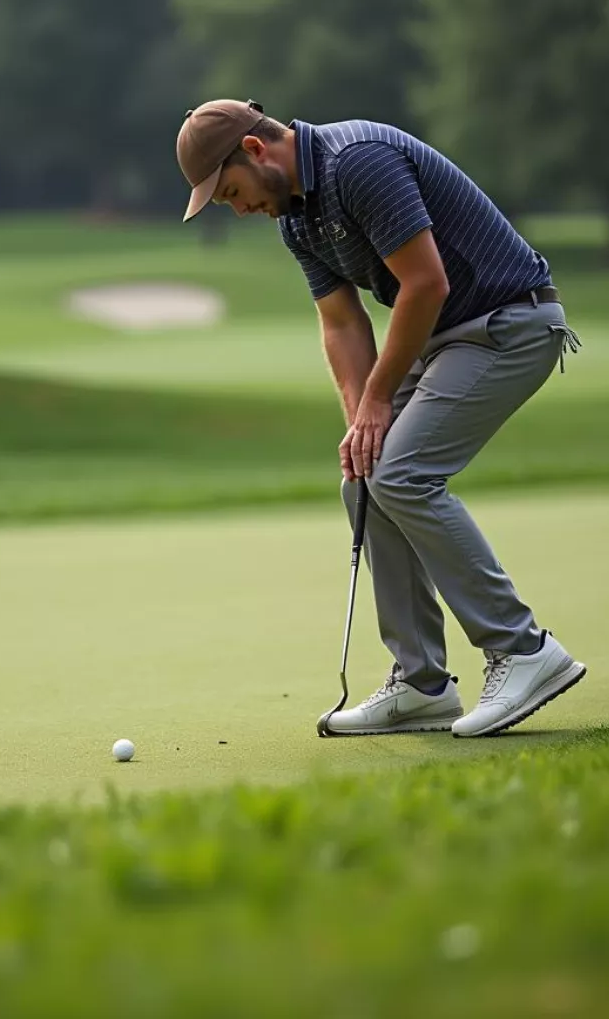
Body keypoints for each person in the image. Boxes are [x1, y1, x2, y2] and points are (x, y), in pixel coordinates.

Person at [175, 100, 585, 737]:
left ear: (256, 153)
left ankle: (525, 651)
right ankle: (422, 685)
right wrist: (362, 423)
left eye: (230, 192)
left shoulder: (356, 163)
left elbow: (426, 285)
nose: (239, 208)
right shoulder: (296, 218)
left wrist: (378, 401)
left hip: (510, 321)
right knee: (367, 478)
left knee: (404, 473)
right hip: (447, 340)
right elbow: (341, 324)